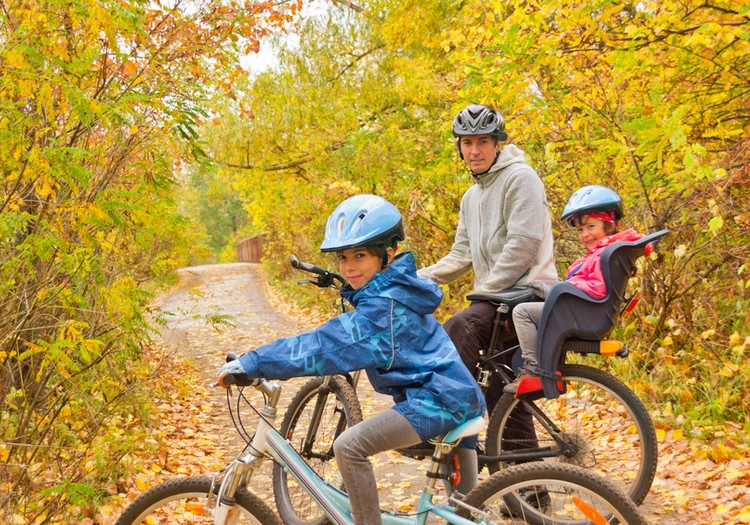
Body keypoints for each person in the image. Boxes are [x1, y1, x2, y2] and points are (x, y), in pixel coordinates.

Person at [217, 194, 486, 525]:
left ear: (387, 255)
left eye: (360, 255)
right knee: (468, 513)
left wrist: (254, 362)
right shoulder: (394, 294)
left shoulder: (381, 311)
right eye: (343, 257)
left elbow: (321, 347)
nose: (348, 267)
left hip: (439, 400)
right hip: (454, 394)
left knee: (349, 446)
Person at [418, 103, 558, 410]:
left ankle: (438, 416)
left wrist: (486, 292)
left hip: (527, 294)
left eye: (483, 141)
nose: (475, 150)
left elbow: (523, 245)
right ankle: (521, 456)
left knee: (461, 327)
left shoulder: (521, 178)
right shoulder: (472, 196)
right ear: (459, 148)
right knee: (502, 396)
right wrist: (413, 279)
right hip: (499, 298)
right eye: (467, 143)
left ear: (499, 143)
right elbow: (461, 254)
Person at [504, 185, 647, 394]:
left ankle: (533, 369)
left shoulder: (603, 255)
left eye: (591, 226)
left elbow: (596, 289)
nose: (585, 234)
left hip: (584, 312)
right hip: (583, 309)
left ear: (609, 224)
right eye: (580, 229)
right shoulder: (606, 251)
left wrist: (567, 287)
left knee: (522, 312)